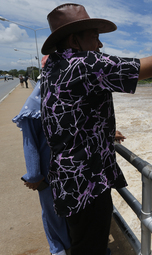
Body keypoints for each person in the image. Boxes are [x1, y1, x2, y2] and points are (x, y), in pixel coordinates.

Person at [40, 3, 152, 255]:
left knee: (81, 241)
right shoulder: (84, 64)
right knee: (91, 247)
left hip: (65, 177)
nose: (100, 45)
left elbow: (69, 109)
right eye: (95, 37)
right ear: (74, 40)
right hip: (86, 182)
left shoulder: (52, 67)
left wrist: (104, 131)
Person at [12, 56, 72, 255]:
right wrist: (34, 175)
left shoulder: (45, 100)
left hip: (60, 168)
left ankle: (62, 246)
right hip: (51, 171)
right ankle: (61, 247)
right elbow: (31, 143)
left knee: (57, 211)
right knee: (55, 211)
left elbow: (30, 142)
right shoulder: (40, 102)